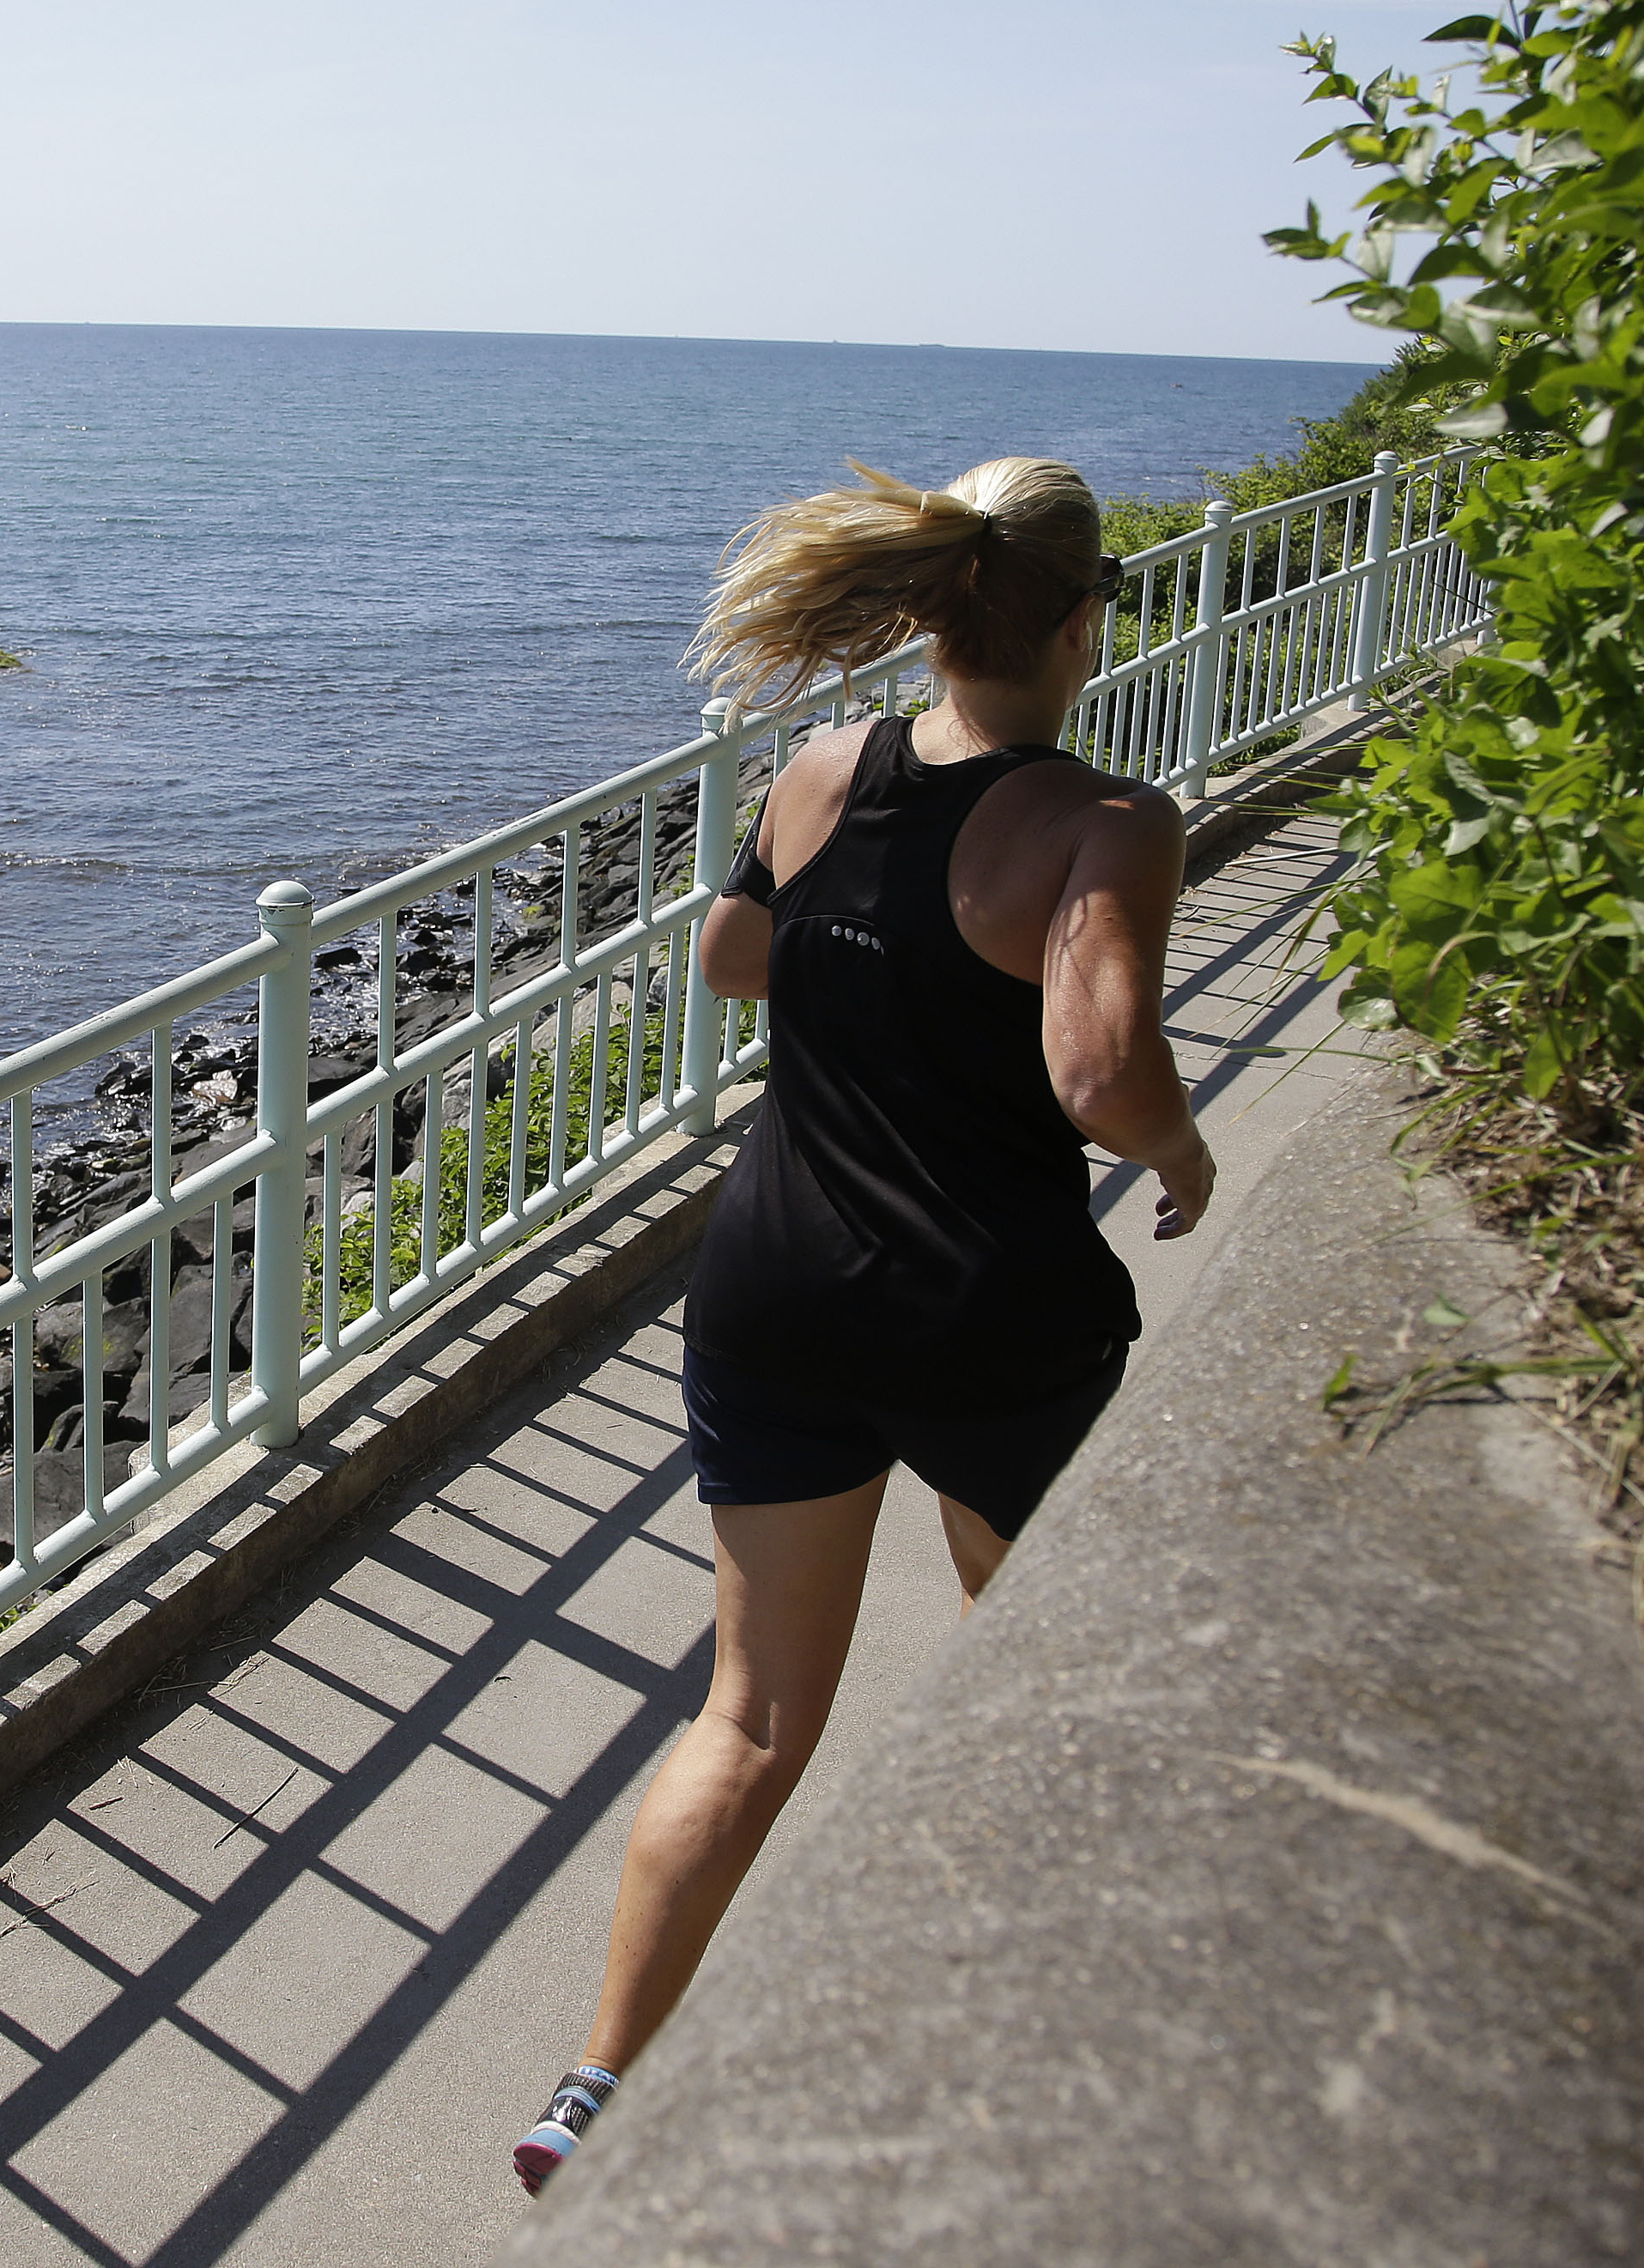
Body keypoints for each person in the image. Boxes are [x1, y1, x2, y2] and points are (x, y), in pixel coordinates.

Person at [511, 456, 1217, 2197]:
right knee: (1036, 1678)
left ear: (930, 611)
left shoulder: (825, 769)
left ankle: (594, 2093)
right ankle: (1036, 2047)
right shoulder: (1107, 822)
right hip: (994, 1319)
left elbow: (734, 960)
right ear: (1080, 620)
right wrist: (1184, 1148)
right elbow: (1098, 1067)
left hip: (777, 1294)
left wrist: (872, 952)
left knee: (746, 1718)